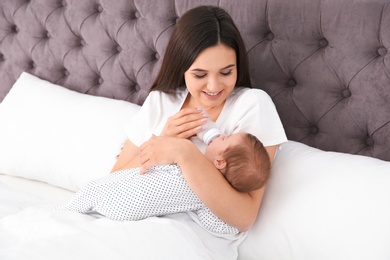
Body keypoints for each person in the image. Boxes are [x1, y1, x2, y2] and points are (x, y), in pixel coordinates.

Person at [110, 4, 287, 257]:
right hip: (129, 225)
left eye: (227, 72)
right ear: (182, 68)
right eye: (200, 74)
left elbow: (245, 216)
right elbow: (114, 179)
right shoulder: (161, 102)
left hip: (192, 242)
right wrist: (163, 139)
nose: (213, 87)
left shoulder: (252, 106)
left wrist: (184, 153)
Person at [60, 132, 270, 234]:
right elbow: (213, 221)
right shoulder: (208, 198)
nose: (221, 134)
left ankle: (63, 213)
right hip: (128, 215)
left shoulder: (193, 170)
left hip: (122, 197)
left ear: (220, 162)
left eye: (225, 139)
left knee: (92, 191)